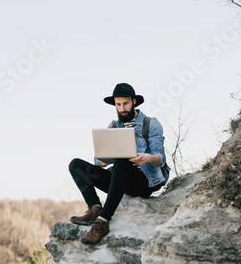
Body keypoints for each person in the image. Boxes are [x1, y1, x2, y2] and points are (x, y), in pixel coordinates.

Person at [68, 83, 167, 244]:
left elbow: (159, 157)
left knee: (122, 162)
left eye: (125, 103)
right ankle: (94, 208)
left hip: (144, 181)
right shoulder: (113, 126)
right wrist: (104, 159)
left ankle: (103, 221)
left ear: (134, 101)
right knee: (75, 165)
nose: (122, 108)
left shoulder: (150, 124)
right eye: (118, 104)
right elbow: (98, 161)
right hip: (119, 180)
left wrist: (146, 158)